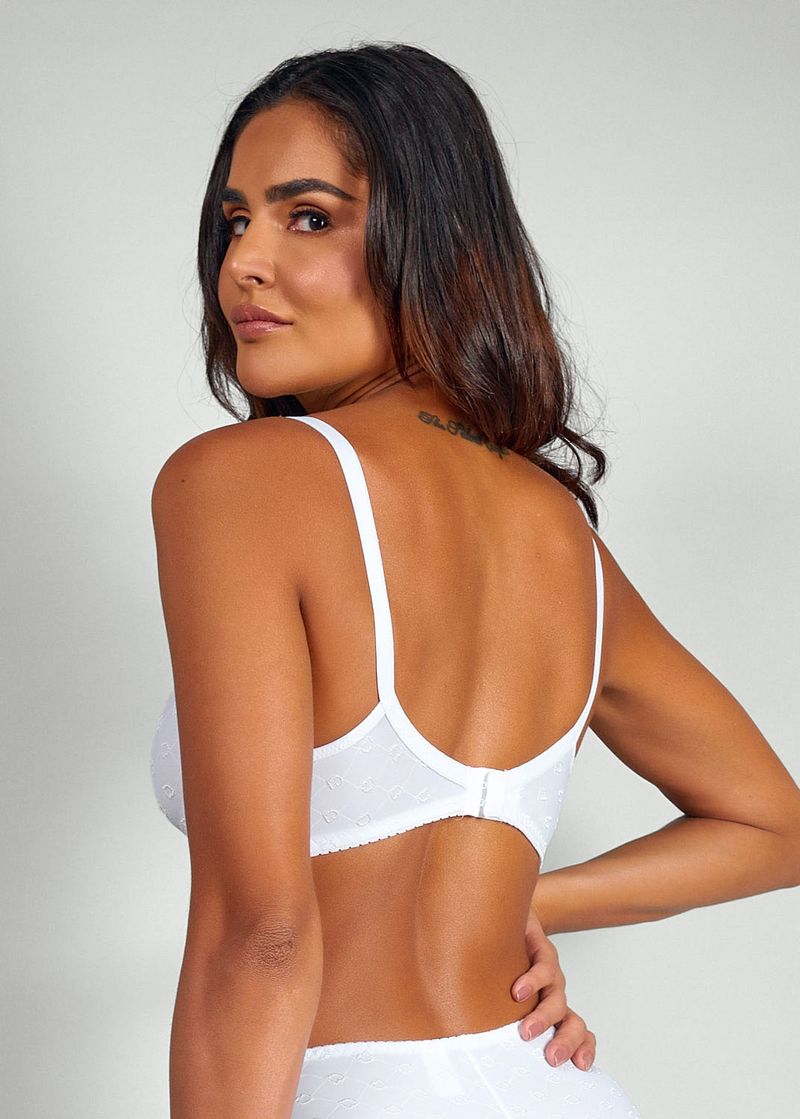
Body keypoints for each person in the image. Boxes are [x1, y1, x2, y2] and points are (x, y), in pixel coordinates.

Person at [149, 42, 800, 1119]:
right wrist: (513, 901)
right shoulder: (560, 534)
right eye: (234, 220)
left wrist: (513, 902)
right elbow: (773, 825)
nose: (242, 264)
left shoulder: (239, 482)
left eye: (307, 217)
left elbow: (259, 936)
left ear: (435, 241)